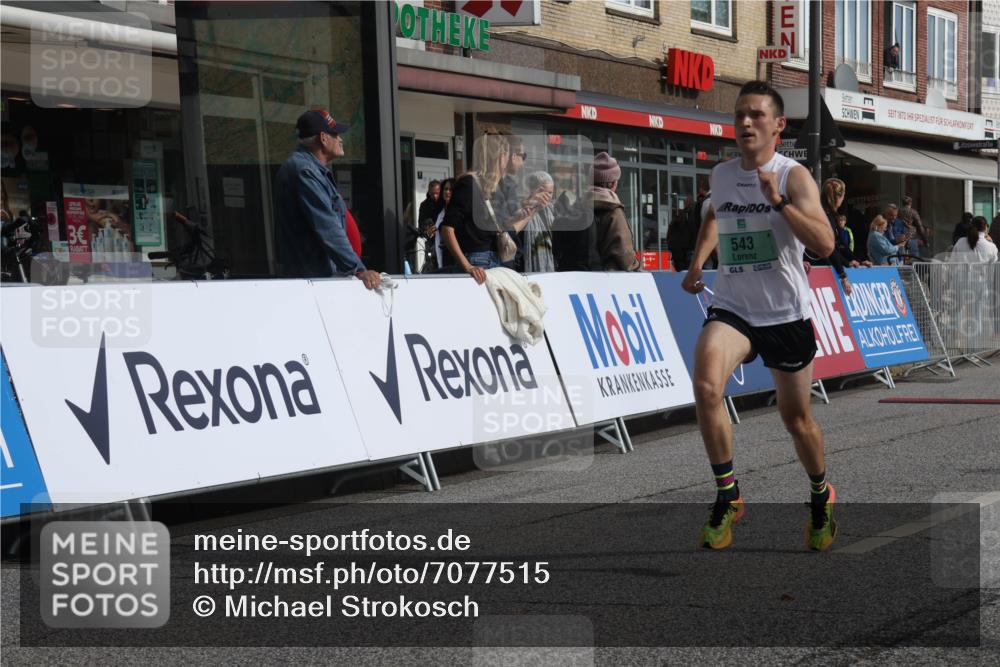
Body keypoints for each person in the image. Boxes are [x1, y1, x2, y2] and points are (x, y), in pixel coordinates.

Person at [681, 80, 838, 552]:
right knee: (706, 386)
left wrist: (778, 203)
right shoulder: (722, 174)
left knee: (796, 419)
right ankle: (728, 495)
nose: (745, 123)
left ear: (778, 124)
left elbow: (825, 244)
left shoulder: (794, 177)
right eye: (739, 115)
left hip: (785, 313)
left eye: (756, 115)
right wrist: (697, 263)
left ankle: (820, 493)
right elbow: (716, 216)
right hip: (734, 306)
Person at [274, 109, 380, 289]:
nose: (340, 139)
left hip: (313, 278)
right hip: (312, 282)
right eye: (336, 135)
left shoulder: (309, 169)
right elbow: (327, 227)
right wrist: (359, 270)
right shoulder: (305, 171)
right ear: (323, 138)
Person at [440, 129, 537, 284]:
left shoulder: (494, 186)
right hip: (477, 261)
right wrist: (467, 266)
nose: (508, 158)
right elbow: (447, 229)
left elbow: (495, 228)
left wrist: (522, 216)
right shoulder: (469, 183)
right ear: (499, 156)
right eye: (506, 153)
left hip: (497, 260)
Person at [588, 152, 641, 271]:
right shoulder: (613, 212)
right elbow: (624, 255)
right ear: (613, 183)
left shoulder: (577, 207)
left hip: (581, 276)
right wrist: (637, 267)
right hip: (610, 277)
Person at [504, 171, 556, 273]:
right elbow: (510, 231)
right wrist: (531, 207)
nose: (547, 196)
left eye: (550, 193)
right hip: (523, 263)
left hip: (549, 264)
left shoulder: (552, 210)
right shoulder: (520, 208)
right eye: (543, 192)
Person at [430, 178, 455, 272]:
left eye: (450, 189)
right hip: (441, 255)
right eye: (445, 189)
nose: (447, 192)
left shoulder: (457, 211)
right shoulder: (441, 211)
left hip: (453, 257)